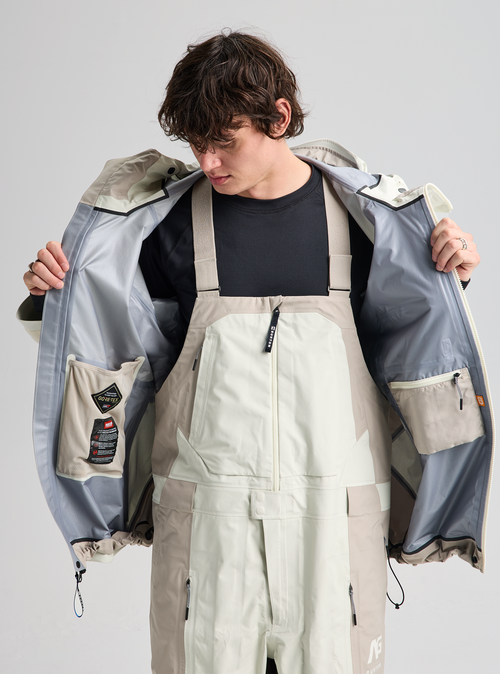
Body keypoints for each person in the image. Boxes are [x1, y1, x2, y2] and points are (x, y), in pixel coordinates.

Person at [20, 31, 491, 674]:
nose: (208, 161)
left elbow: (416, 354)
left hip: (332, 542)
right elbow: (112, 356)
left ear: (279, 117)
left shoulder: (369, 224)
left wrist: (451, 281)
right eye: (196, 144)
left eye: (224, 140)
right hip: (209, 547)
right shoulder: (164, 229)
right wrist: (57, 299)